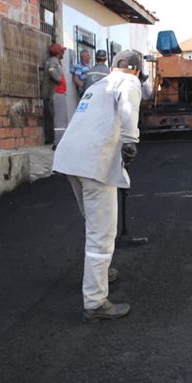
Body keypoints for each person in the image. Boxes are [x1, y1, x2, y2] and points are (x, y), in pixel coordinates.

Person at [52, 50, 142, 321]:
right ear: (135, 70)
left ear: (113, 65)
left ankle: (100, 271)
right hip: (93, 163)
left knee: (93, 222)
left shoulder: (98, 86)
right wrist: (130, 140)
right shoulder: (128, 82)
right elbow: (128, 105)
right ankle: (94, 301)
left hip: (70, 159)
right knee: (101, 232)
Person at [41, 43, 68, 149]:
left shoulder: (56, 61)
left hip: (59, 93)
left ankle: (59, 142)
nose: (63, 53)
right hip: (57, 93)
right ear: (58, 52)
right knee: (60, 120)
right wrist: (58, 78)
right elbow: (51, 70)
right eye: (62, 51)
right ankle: (58, 143)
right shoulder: (53, 61)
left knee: (61, 119)